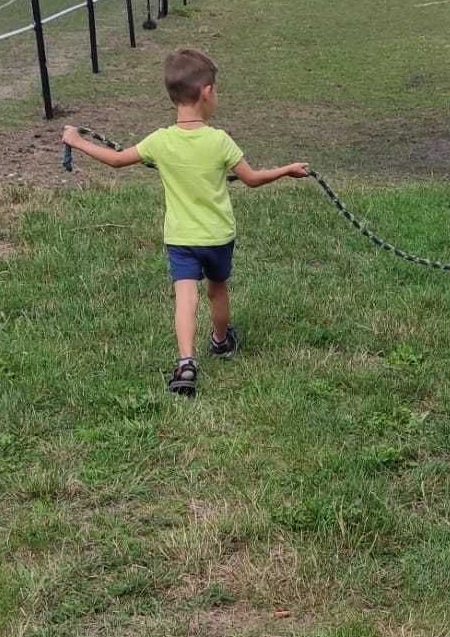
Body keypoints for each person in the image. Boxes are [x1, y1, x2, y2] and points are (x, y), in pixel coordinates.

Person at [62, 47, 308, 396]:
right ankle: (221, 341)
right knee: (217, 289)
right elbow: (251, 178)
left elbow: (117, 160)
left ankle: (186, 362)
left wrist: (76, 140)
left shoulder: (160, 141)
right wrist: (286, 170)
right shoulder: (219, 140)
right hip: (218, 236)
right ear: (206, 92)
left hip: (180, 237)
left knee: (185, 295)